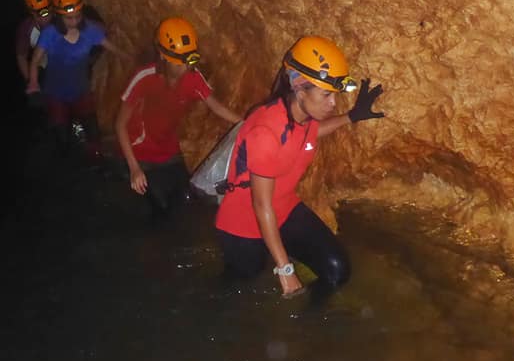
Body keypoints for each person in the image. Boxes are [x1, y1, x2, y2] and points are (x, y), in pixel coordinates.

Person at [214, 36, 385, 298]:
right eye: (326, 95)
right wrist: (285, 270)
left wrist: (351, 116)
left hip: (284, 209)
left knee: (337, 271)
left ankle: (308, 324)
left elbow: (309, 134)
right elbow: (261, 205)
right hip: (244, 222)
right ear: (299, 88)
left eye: (335, 95)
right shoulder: (266, 130)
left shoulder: (304, 115)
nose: (333, 103)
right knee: (243, 287)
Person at [115, 17, 242, 221]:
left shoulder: (193, 77)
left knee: (187, 199)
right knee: (157, 212)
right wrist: (134, 169)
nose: (186, 67)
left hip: (168, 151)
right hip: (139, 153)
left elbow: (215, 106)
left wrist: (245, 123)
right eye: (181, 62)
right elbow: (120, 125)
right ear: (163, 57)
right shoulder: (145, 78)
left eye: (189, 61)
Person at [25, 0, 123, 159]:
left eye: (77, 16)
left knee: (93, 133)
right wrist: (33, 83)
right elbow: (35, 61)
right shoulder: (50, 34)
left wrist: (129, 56)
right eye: (69, 18)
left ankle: (96, 163)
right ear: (59, 16)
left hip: (80, 90)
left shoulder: (89, 30)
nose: (74, 21)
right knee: (62, 138)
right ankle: (66, 165)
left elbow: (110, 47)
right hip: (55, 92)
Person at [15, 0, 53, 83]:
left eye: (46, 11)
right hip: (44, 67)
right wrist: (31, 81)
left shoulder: (63, 18)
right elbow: (21, 56)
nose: (44, 17)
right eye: (39, 13)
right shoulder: (26, 28)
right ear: (31, 12)